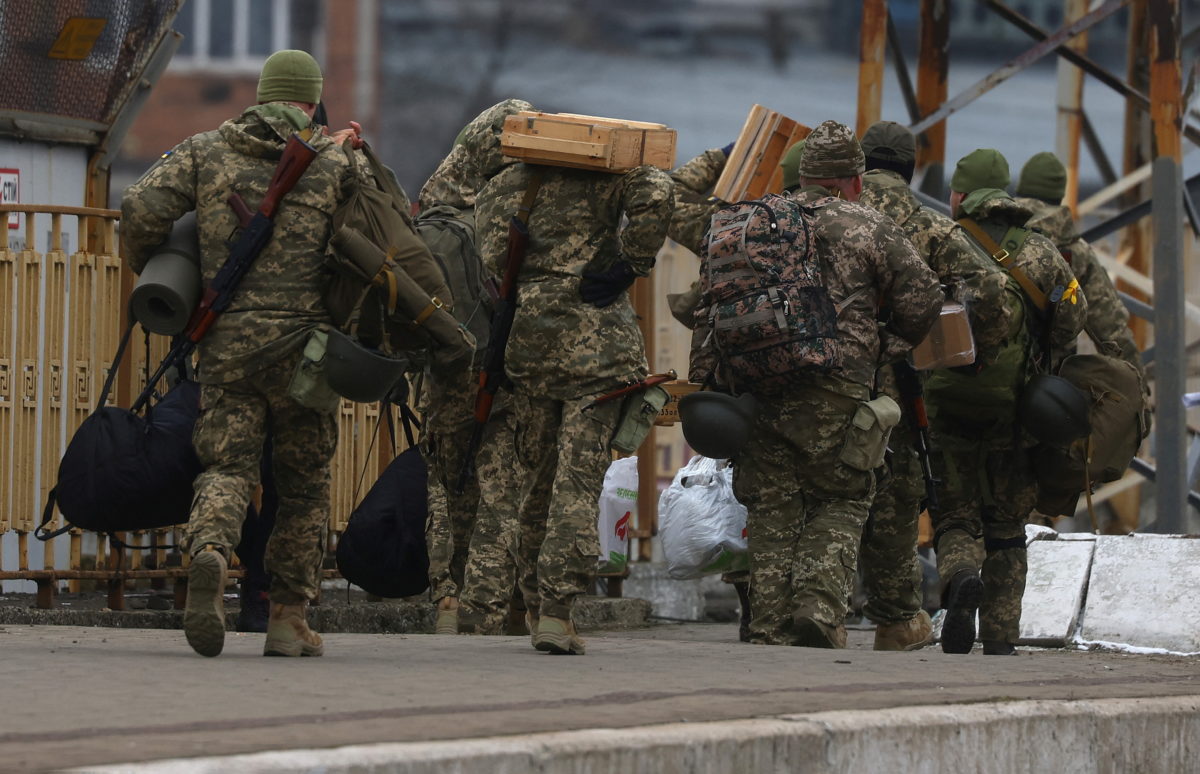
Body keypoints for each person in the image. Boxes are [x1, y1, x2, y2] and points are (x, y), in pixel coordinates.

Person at [121, 50, 360, 658]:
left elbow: (139, 210)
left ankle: (207, 554)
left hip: (227, 344)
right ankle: (286, 619)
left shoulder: (206, 149)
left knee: (228, 468)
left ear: (260, 94)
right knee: (303, 487)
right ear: (310, 102)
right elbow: (377, 243)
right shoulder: (335, 163)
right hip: (306, 351)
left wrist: (173, 267)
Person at [434, 99, 675, 655]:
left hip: (528, 347)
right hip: (598, 353)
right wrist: (626, 263)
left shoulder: (498, 192)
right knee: (578, 481)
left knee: (537, 479)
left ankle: (534, 603)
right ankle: (558, 612)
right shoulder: (601, 179)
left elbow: (494, 262)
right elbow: (658, 190)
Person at [692, 120, 941, 648]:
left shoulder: (757, 223)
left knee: (774, 505)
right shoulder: (866, 225)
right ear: (854, 178)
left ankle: (768, 624)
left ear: (804, 174)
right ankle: (818, 608)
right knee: (842, 494)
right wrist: (887, 345)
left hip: (759, 385)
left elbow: (707, 302)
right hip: (838, 387)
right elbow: (923, 298)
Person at [856, 122, 1014, 651]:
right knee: (897, 499)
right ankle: (897, 619)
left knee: (825, 496)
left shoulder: (823, 215)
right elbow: (991, 291)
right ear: (911, 168)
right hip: (899, 384)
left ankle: (809, 613)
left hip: (823, 375)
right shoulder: (926, 225)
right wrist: (962, 355)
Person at [929, 149, 1086, 655]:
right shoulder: (1042, 251)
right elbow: (1072, 318)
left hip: (947, 403)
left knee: (954, 514)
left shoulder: (938, 243)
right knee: (1006, 525)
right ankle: (1000, 634)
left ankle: (959, 579)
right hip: (1016, 411)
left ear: (960, 195)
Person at [417, 107, 530, 637]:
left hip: (443, 369)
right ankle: (484, 609)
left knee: (446, 485)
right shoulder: (510, 207)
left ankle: (446, 596)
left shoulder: (433, 208)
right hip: (501, 368)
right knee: (500, 487)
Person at [1013, 152, 1145, 387]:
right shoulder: (1076, 252)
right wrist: (1139, 396)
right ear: (1058, 196)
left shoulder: (992, 233)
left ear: (1021, 189)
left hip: (983, 382)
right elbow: (1111, 332)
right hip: (1047, 391)